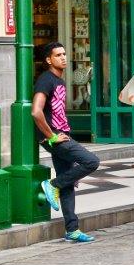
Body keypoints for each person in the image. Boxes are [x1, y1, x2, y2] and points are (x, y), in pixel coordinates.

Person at [32, 42, 100, 243]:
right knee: (91, 161)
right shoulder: (46, 80)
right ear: (48, 60)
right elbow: (36, 111)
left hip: (62, 134)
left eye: (64, 54)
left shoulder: (59, 81)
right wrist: (51, 136)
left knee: (68, 184)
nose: (63, 57)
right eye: (58, 55)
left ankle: (72, 229)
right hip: (55, 137)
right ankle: (52, 184)